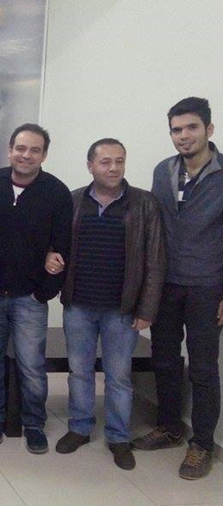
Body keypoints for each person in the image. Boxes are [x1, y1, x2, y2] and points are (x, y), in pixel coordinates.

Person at [46, 138, 166, 471]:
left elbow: (156, 260)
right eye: (105, 162)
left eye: (119, 161)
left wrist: (147, 309)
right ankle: (79, 428)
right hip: (79, 305)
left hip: (122, 309)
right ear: (90, 166)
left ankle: (118, 437)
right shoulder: (72, 201)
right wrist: (50, 257)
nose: (113, 168)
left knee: (118, 377)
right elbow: (54, 244)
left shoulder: (144, 204)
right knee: (79, 372)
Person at [133, 97, 223, 480]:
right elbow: (154, 226)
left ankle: (201, 444)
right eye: (176, 130)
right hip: (165, 284)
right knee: (165, 358)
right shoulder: (163, 170)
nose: (184, 136)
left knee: (203, 368)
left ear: (208, 130)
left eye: (191, 128)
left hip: (207, 286)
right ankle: (170, 427)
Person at [0, 123, 72, 454]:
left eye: (34, 150)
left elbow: (63, 248)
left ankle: (34, 423)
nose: (26, 155)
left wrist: (44, 292)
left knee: (31, 365)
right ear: (9, 150)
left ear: (44, 155)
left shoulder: (56, 193)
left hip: (30, 298)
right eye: (20, 148)